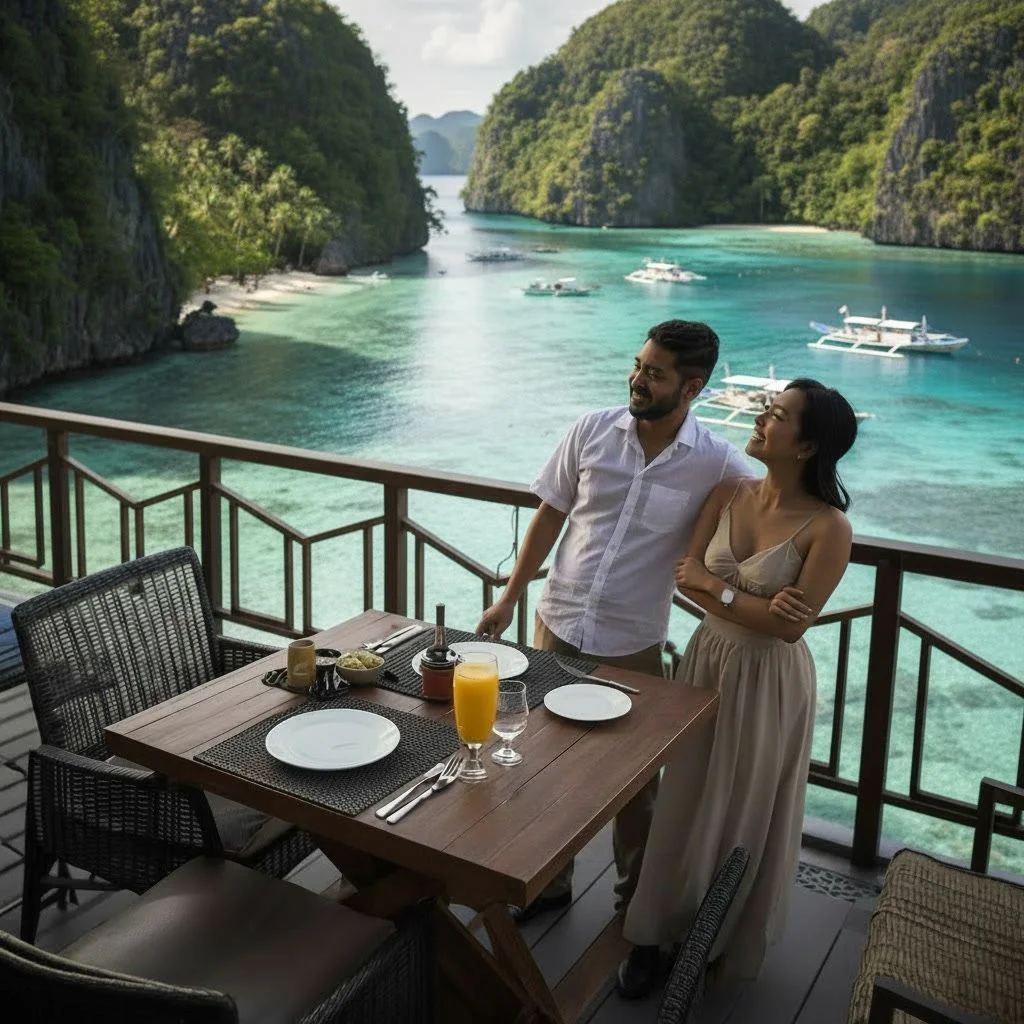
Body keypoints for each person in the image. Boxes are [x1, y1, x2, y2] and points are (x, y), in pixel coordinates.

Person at [476, 319, 754, 922]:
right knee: (540, 758)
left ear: (692, 387)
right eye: (638, 365)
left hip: (632, 644)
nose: (637, 380)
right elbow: (550, 516)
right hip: (555, 625)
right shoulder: (592, 430)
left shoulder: (718, 465)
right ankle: (548, 882)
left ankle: (635, 912)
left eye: (654, 374)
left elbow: (778, 505)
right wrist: (509, 597)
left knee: (634, 788)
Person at [617, 378, 858, 997]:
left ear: (806, 447)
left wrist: (719, 589)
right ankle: (652, 933)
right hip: (706, 660)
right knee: (685, 797)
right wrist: (744, 599)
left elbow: (788, 629)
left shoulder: (830, 528)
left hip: (770, 679)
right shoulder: (727, 492)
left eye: (776, 415)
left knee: (745, 808)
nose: (760, 419)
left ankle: (717, 937)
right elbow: (684, 579)